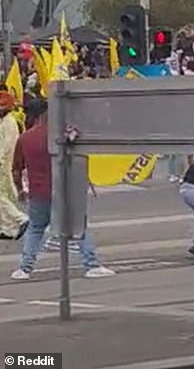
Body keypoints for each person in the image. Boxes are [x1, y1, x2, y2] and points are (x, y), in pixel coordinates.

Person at [11, 98, 114, 280]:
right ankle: (92, 264)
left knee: (35, 228)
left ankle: (24, 269)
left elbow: (16, 168)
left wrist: (20, 190)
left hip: (37, 191)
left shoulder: (24, 138)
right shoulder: (60, 134)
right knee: (78, 226)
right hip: (64, 189)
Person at [0, 91, 28, 240]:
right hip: (4, 166)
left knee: (2, 197)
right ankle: (8, 229)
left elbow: (6, 149)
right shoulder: (5, 122)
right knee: (6, 197)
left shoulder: (9, 123)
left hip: (5, 166)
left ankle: (21, 219)